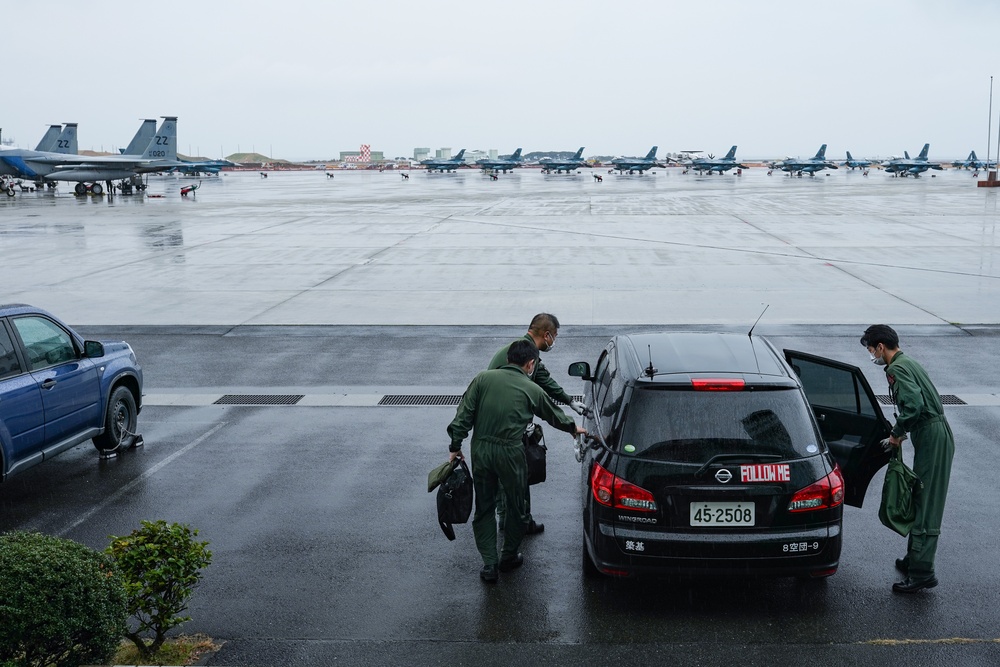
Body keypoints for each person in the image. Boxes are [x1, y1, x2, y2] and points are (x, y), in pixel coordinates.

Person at [448, 339, 585, 583]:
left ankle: (489, 565)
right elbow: (553, 415)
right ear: (530, 364)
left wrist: (455, 446)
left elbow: (463, 414)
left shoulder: (482, 378)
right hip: (511, 453)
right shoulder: (530, 388)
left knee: (485, 507)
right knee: (517, 507)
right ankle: (508, 556)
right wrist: (574, 428)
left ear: (508, 358)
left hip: (481, 450)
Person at [861, 324, 955, 594]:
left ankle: (922, 572)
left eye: (870, 348)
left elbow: (913, 405)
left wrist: (897, 433)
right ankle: (914, 558)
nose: (871, 355)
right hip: (931, 432)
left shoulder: (896, 368)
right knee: (919, 494)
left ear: (880, 346)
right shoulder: (907, 361)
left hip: (932, 435)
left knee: (926, 502)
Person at [488, 313, 586, 536]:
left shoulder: (526, 352)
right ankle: (513, 522)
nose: (555, 341)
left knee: (513, 476)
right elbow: (539, 398)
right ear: (547, 334)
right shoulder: (518, 354)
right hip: (505, 427)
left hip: (504, 425)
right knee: (512, 476)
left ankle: (515, 519)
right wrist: (569, 424)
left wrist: (569, 400)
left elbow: (544, 380)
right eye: (555, 336)